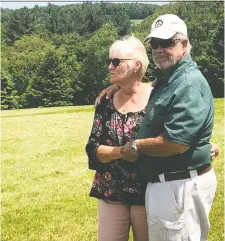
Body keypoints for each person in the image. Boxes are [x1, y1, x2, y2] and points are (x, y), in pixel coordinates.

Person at [95, 14, 219, 241]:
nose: (159, 49)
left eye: (167, 43)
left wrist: (136, 146)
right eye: (154, 44)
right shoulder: (167, 81)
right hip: (166, 187)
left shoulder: (187, 83)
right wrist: (117, 87)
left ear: (184, 44)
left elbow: (176, 142)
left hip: (179, 187)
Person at [86, 36, 152, 241]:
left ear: (136, 65)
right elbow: (93, 148)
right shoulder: (105, 102)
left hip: (149, 191)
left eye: (116, 62)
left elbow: (173, 135)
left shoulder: (158, 97)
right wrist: (122, 152)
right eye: (108, 62)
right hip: (111, 192)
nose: (110, 67)